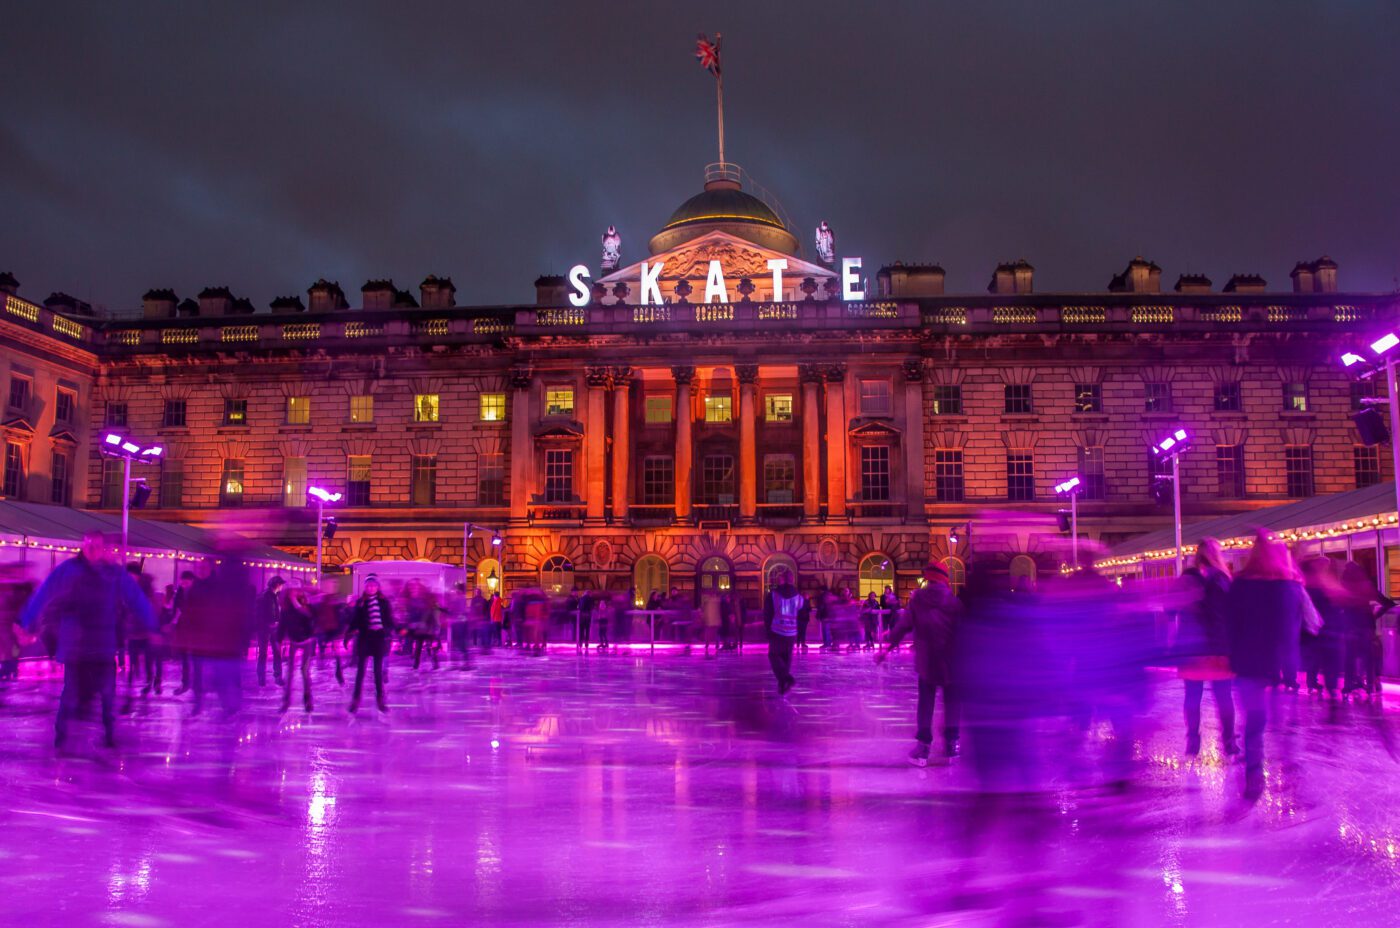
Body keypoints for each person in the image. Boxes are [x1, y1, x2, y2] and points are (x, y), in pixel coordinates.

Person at [19, 531, 156, 748]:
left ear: (102, 548)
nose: (92, 549)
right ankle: (61, 738)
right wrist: (25, 621)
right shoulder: (69, 570)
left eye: (97, 546)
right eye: (88, 545)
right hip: (77, 646)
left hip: (103, 646)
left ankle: (109, 736)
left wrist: (152, 625)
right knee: (71, 693)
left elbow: (136, 599)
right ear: (83, 546)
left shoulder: (113, 573)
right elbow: (44, 593)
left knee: (107, 695)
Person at [1226, 530, 1314, 801]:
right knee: (1280, 723)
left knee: (1254, 721)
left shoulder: (1240, 585)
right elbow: (1302, 626)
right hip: (1278, 667)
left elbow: (1231, 626)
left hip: (1247, 664)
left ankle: (1254, 772)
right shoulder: (1289, 587)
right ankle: (1290, 766)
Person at [877, 562, 962, 765]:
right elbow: (964, 632)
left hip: (927, 661)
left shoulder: (918, 600)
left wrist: (886, 649)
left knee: (926, 703)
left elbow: (903, 626)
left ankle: (923, 748)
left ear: (928, 578)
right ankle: (951, 745)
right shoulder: (954, 602)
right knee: (952, 703)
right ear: (944, 579)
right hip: (951, 661)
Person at [1176, 538, 1238, 756]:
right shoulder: (1223, 579)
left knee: (1192, 696)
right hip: (1219, 645)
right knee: (1224, 696)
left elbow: (1171, 609)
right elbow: (1233, 614)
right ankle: (1229, 740)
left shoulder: (1187, 578)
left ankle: (1193, 739)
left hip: (1192, 646)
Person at [346, 575, 395, 713]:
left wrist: (392, 630)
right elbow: (355, 620)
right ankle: (356, 699)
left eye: (373, 585)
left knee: (377, 671)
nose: (370, 588)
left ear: (377, 587)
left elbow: (389, 619)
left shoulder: (384, 602)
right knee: (360, 671)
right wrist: (349, 633)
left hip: (378, 638)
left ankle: (380, 699)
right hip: (365, 639)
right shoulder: (361, 602)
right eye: (368, 586)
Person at [763, 568, 804, 695]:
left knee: (774, 655)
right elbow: (802, 613)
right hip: (792, 632)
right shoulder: (799, 596)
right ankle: (782, 685)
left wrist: (767, 630)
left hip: (777, 630)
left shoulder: (773, 595)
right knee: (786, 658)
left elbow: (767, 614)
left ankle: (786, 679)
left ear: (782, 580)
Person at [279, 585, 317, 713]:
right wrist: (279, 642)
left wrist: (295, 601)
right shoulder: (285, 609)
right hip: (294, 641)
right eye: (291, 590)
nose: (293, 593)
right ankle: (286, 701)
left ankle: (307, 699)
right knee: (290, 672)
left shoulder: (305, 604)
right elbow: (282, 626)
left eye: (296, 590)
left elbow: (308, 616)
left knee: (305, 671)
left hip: (307, 641)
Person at [254, 576, 285, 688]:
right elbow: (259, 613)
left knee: (276, 652)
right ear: (276, 584)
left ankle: (277, 676)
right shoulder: (265, 596)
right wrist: (268, 623)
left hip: (274, 629)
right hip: (264, 629)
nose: (282, 586)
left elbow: (276, 612)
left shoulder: (275, 596)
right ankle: (261, 677)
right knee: (263, 653)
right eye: (281, 584)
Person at [700, 589, 723, 658]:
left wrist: (703, 617)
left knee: (709, 633)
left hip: (711, 619)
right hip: (713, 619)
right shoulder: (716, 600)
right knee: (713, 633)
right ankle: (714, 645)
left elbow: (703, 609)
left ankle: (709, 645)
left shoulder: (708, 601)